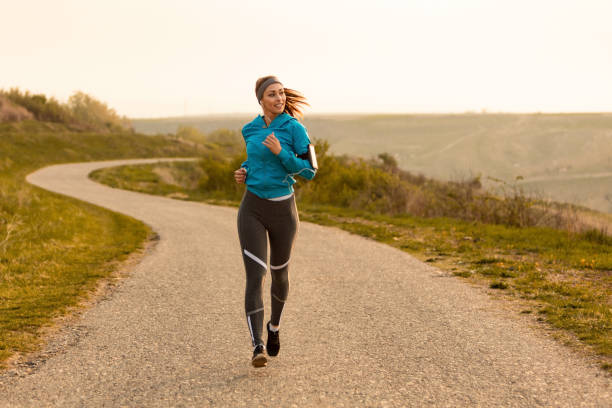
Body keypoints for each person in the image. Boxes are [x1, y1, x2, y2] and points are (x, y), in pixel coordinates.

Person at [234, 75, 317, 367]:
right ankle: (257, 345)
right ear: (261, 100)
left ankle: (274, 328)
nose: (279, 98)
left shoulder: (295, 129)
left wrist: (281, 153)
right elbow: (255, 160)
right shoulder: (250, 129)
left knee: (279, 275)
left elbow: (310, 171)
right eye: (272, 94)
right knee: (255, 276)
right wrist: (244, 170)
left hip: (284, 210)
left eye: (281, 93)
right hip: (252, 207)